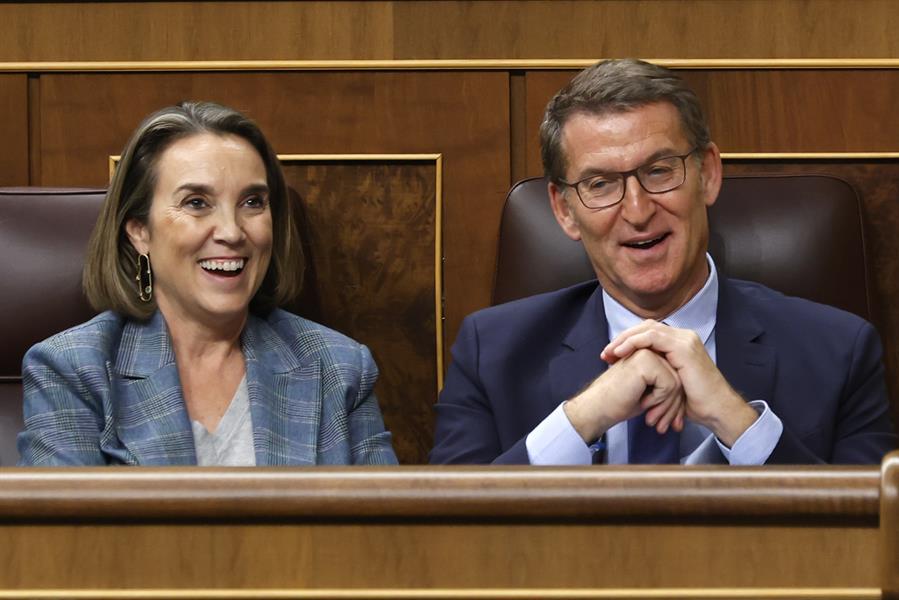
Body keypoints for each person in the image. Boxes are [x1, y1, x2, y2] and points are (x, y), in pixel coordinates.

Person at [431, 59, 897, 465]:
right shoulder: (490, 352)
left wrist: (737, 420)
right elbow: (444, 540)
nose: (637, 211)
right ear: (564, 210)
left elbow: (873, 542)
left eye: (659, 171)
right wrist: (581, 419)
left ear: (708, 174)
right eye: (600, 184)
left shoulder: (839, 351)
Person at [18, 101, 397, 466]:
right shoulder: (74, 370)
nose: (232, 232)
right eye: (197, 202)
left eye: (252, 202)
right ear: (139, 231)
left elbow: (382, 530)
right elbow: (69, 532)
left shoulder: (339, 366)